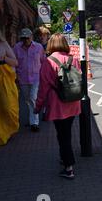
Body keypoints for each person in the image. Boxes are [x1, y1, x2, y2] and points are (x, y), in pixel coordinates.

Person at [34, 34, 81, 179]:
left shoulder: (48, 62)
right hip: (73, 102)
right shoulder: (74, 59)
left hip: (57, 104)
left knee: (63, 136)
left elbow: (43, 88)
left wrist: (38, 107)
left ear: (50, 44)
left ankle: (69, 168)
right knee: (67, 133)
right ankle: (65, 158)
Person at [13, 28, 46, 132]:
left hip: (35, 77)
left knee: (32, 98)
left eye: (27, 38)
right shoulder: (17, 47)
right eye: (23, 38)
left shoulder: (38, 47)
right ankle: (32, 118)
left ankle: (34, 123)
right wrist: (14, 75)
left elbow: (43, 60)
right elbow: (14, 62)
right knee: (28, 100)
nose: (25, 40)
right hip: (22, 78)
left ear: (31, 37)